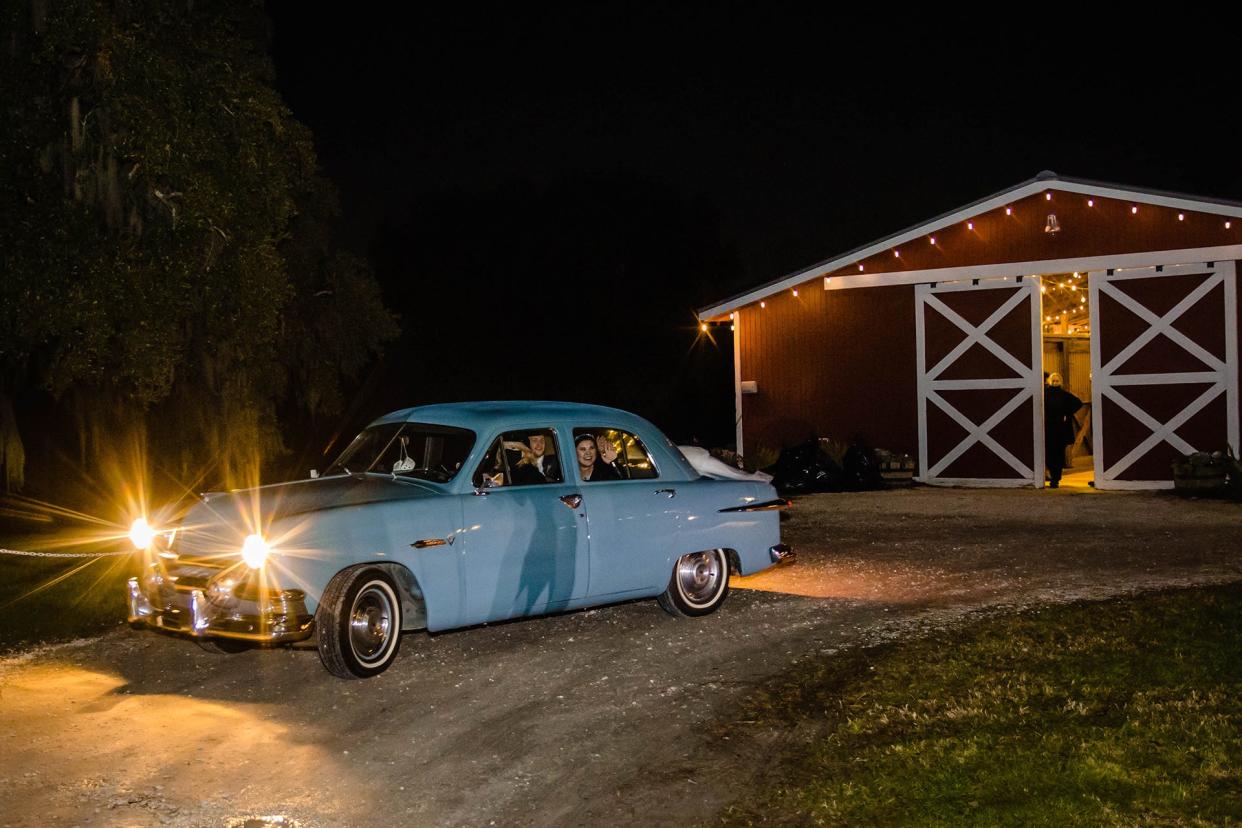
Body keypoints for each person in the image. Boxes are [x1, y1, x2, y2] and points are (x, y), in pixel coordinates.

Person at [1044, 372, 1083, 488]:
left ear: (1060, 382)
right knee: (1049, 453)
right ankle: (1051, 474)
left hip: (1060, 428)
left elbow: (1078, 403)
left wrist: (1067, 413)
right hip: (1048, 427)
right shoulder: (1044, 394)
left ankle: (1055, 478)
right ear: (1049, 381)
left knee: (1058, 454)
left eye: (1057, 380)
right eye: (1053, 380)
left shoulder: (1064, 394)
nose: (1055, 382)